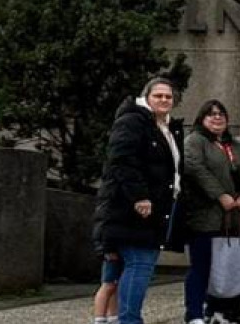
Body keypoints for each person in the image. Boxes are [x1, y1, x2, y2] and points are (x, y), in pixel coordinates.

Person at [93, 77, 182, 324]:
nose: (164, 100)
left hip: (157, 208)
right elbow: (121, 160)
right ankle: (130, 320)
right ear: (146, 97)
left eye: (168, 96)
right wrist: (139, 196)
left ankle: (117, 319)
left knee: (130, 268)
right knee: (139, 264)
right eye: (159, 95)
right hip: (132, 210)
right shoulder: (133, 121)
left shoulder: (166, 126)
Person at [182, 99, 240, 324]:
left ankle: (224, 311)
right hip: (206, 216)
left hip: (236, 217)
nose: (217, 118)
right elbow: (195, 169)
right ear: (202, 118)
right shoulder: (195, 141)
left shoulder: (236, 144)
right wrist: (220, 195)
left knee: (231, 267)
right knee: (202, 267)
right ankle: (195, 313)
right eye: (211, 114)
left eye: (221, 114)